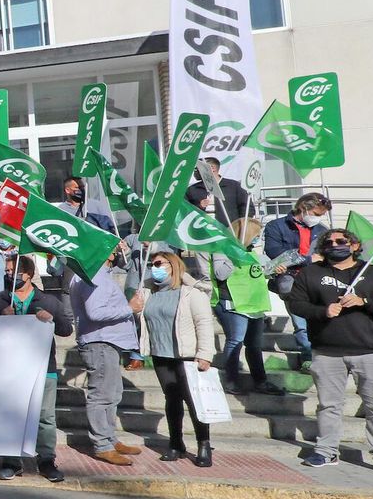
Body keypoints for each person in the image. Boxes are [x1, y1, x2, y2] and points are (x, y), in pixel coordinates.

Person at [285, 228, 373, 473]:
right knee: (329, 405)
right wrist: (322, 311)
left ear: (354, 245)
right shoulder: (311, 274)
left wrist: (364, 302)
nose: (335, 244)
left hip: (369, 351)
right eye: (329, 242)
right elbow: (296, 303)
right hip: (326, 351)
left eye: (341, 241)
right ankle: (326, 451)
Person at [0, 255, 69, 482]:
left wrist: (51, 319)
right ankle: (11, 461)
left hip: (43, 368)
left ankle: (46, 460)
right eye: (8, 271)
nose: (10, 275)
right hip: (9, 370)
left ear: (29, 274)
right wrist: (0, 320)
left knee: (45, 417)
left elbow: (66, 330)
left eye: (15, 272)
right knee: (11, 415)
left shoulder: (48, 301)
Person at [130, 251, 215, 466]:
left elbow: (204, 322)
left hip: (186, 355)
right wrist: (135, 308)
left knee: (194, 401)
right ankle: (176, 443)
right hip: (161, 354)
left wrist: (205, 354)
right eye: (152, 264)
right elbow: (143, 319)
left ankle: (203, 445)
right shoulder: (148, 292)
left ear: (173, 265)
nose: (154, 267)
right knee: (172, 400)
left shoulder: (191, 293)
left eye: (159, 263)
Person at [67, 247, 148, 467]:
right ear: (108, 254)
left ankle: (109, 438)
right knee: (103, 394)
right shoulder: (95, 275)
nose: (121, 251)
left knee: (112, 393)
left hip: (105, 343)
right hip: (100, 343)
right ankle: (102, 444)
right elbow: (96, 312)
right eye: (115, 248)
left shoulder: (92, 274)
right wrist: (129, 308)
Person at [213, 219, 285, 395]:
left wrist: (274, 270)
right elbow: (220, 274)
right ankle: (231, 381)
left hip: (254, 305)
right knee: (235, 340)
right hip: (233, 303)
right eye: (255, 235)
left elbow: (257, 274)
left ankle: (261, 381)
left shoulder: (252, 252)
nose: (257, 239)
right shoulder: (222, 249)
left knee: (254, 345)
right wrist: (234, 255)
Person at [264, 192, 332, 373]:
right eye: (316, 214)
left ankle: (325, 357)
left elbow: (328, 254)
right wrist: (308, 260)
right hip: (291, 278)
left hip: (317, 279)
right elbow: (275, 251)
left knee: (320, 319)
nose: (318, 218)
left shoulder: (322, 230)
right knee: (300, 321)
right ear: (304, 208)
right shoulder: (276, 226)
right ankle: (308, 356)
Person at [186, 157, 249, 226]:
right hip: (202, 231)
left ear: (212, 168)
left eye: (198, 168)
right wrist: (199, 206)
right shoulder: (192, 189)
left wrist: (241, 226)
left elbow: (247, 207)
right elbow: (184, 211)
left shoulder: (234, 186)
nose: (195, 171)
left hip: (229, 230)